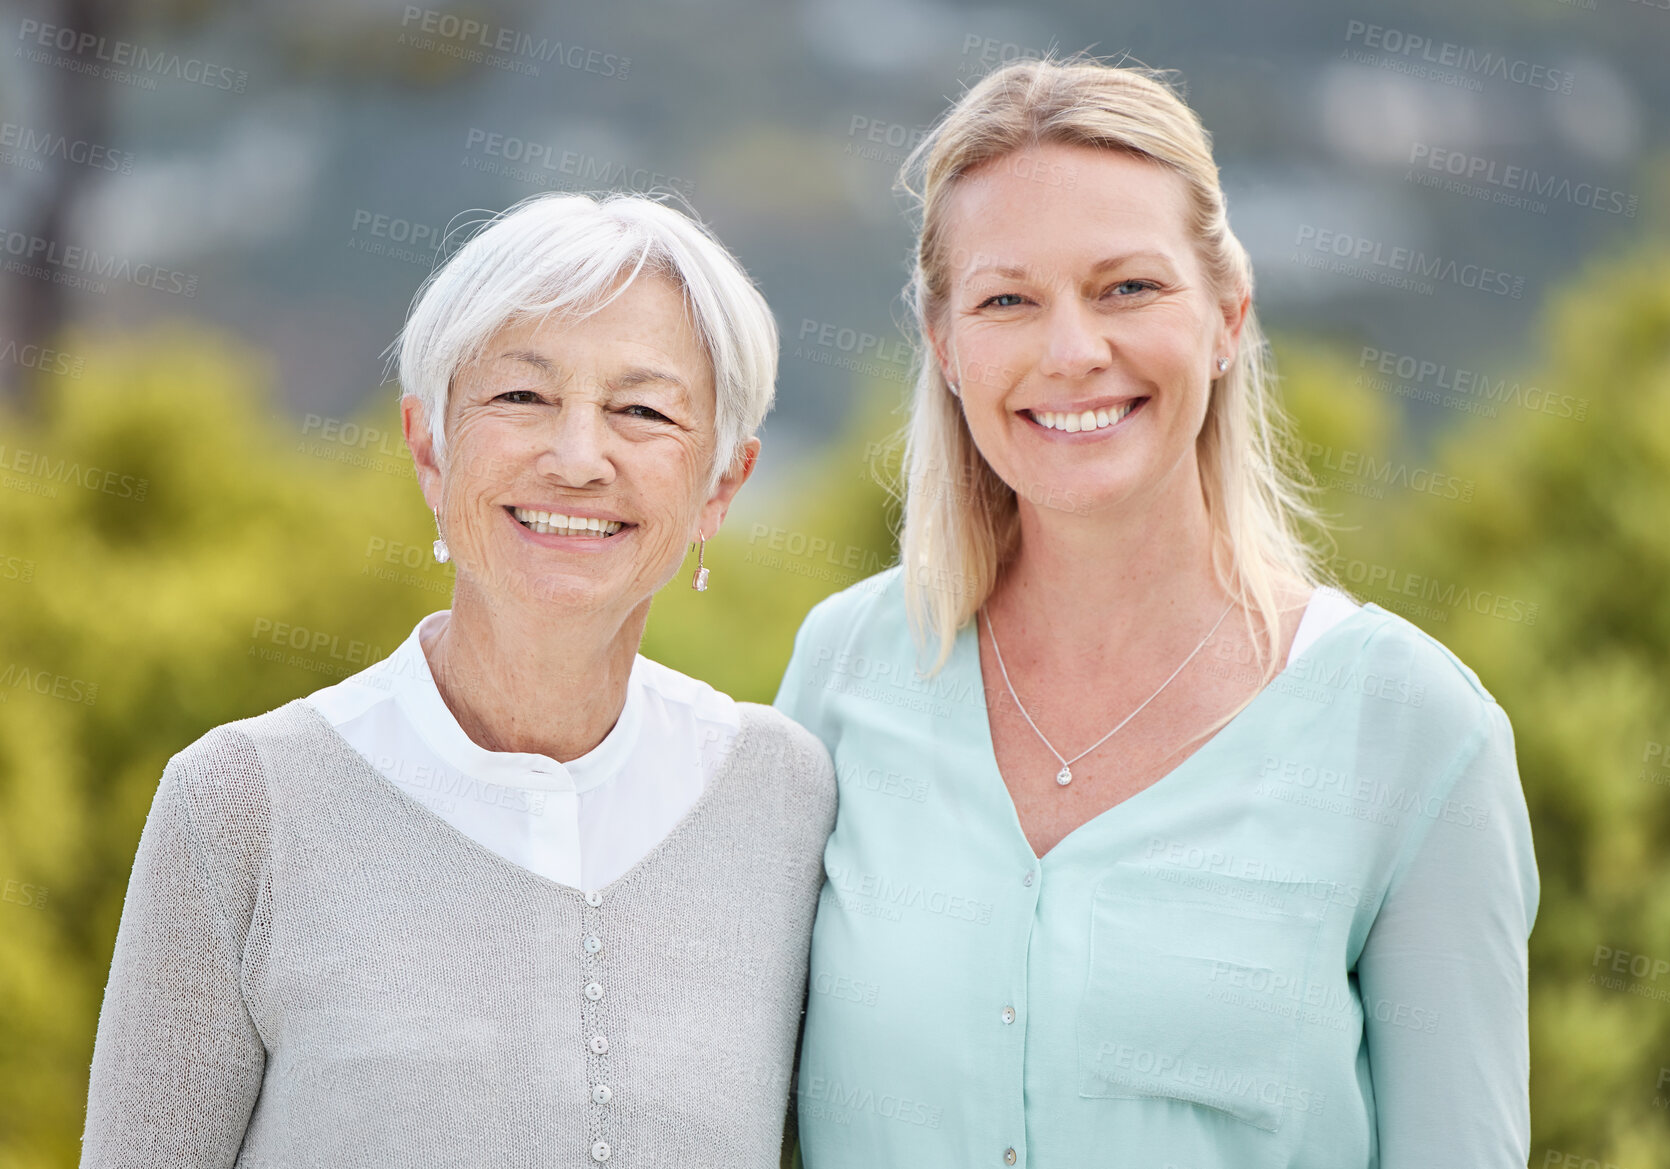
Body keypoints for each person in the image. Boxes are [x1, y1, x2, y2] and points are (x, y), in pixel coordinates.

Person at [776, 58, 1538, 1168]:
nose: (1072, 350)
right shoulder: (840, 674)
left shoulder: (1416, 731)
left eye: (1126, 287)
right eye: (1006, 299)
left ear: (1226, 315)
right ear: (943, 345)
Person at [81, 191, 836, 1168]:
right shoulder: (238, 802)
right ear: (430, 447)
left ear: (721, 486)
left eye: (641, 410)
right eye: (520, 397)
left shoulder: (781, 794)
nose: (575, 456)